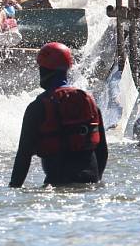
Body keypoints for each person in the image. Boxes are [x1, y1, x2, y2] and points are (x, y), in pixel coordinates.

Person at [9, 42, 108, 188]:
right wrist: (96, 180)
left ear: (43, 70)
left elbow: (23, 156)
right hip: (91, 182)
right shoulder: (89, 101)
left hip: (57, 183)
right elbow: (102, 151)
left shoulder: (37, 107)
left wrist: (13, 189)